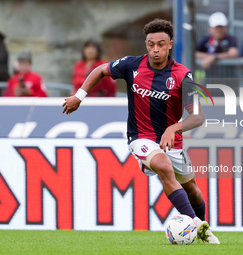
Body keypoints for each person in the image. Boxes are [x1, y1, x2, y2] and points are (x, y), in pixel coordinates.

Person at [63, 19, 220, 244]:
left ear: (170, 45)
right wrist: (79, 96)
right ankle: (196, 223)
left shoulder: (183, 76)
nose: (155, 49)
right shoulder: (131, 65)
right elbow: (100, 70)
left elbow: (198, 116)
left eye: (161, 44)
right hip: (140, 137)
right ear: (146, 44)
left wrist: (173, 128)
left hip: (171, 141)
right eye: (151, 44)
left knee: (192, 189)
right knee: (164, 167)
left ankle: (203, 231)